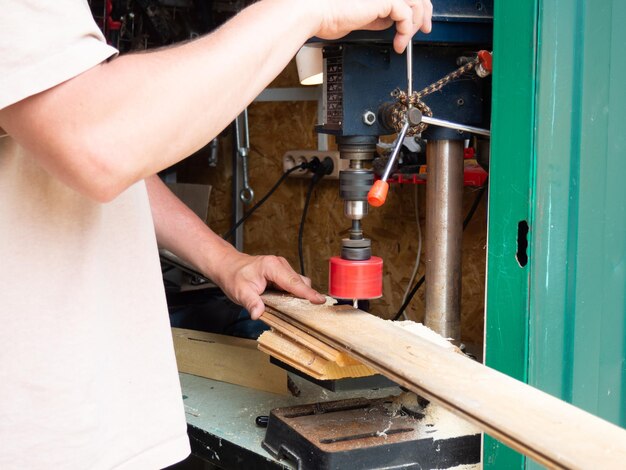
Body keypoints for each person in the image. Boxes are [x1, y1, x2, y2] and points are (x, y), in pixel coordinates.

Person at [0, 0, 432, 467]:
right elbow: (98, 144)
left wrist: (225, 260)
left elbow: (87, 150)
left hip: (92, 419)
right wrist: (303, 9)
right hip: (44, 438)